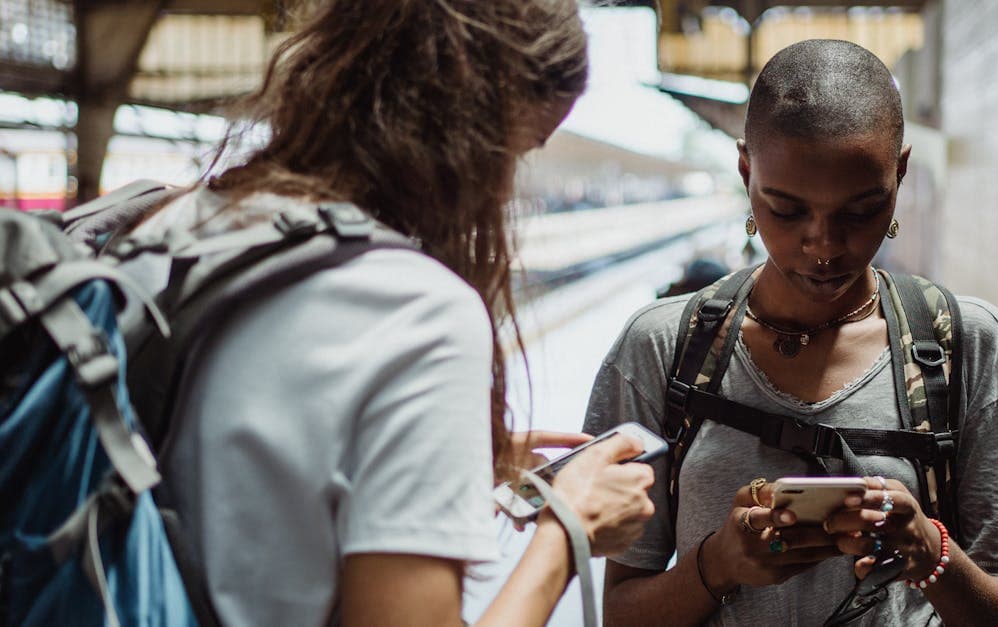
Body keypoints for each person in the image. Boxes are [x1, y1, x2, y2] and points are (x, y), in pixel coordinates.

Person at [119, 1, 655, 626]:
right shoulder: (418, 313)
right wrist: (569, 530)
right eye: (513, 152)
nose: (505, 191)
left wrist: (440, 462)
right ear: (465, 125)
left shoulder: (164, 228)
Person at [584, 40, 998, 625]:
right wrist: (718, 564)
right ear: (746, 171)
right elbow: (619, 613)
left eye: (860, 211)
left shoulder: (964, 344)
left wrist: (928, 549)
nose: (822, 246)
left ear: (900, 173)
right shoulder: (663, 348)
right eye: (786, 210)